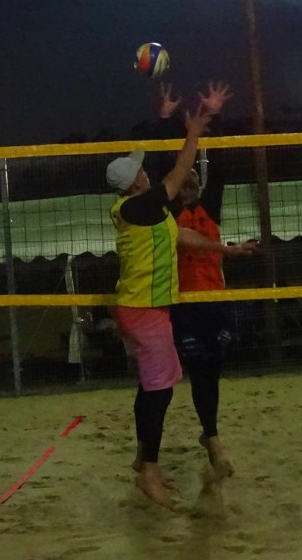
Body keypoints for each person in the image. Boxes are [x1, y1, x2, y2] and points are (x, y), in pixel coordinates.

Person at [106, 96, 254, 509]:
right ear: (136, 183)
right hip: (145, 310)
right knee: (160, 392)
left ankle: (144, 459)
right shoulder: (139, 206)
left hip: (151, 308)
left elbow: (184, 236)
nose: (145, 172)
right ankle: (149, 473)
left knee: (157, 385)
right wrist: (192, 132)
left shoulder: (147, 211)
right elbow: (176, 173)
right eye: (140, 172)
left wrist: (227, 251)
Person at [144, 79, 246, 480]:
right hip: (182, 304)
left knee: (210, 372)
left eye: (192, 180)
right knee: (182, 374)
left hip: (214, 302)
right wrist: (166, 121)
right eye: (183, 180)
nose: (188, 183)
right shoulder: (168, 213)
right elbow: (161, 169)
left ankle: (211, 436)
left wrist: (213, 116)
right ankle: (159, 449)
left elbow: (220, 167)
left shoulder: (209, 210)